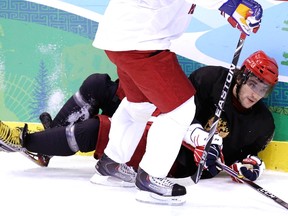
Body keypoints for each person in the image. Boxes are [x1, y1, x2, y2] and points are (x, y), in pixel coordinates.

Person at [0, 50, 277, 199]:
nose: (255, 94)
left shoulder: (263, 123)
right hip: (160, 121)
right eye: (253, 84)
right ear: (240, 77)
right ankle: (48, 145)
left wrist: (246, 167)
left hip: (169, 157)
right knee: (98, 83)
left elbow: (250, 160)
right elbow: (179, 110)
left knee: (97, 131)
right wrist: (198, 135)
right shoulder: (210, 79)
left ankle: (27, 142)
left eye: (263, 90)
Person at [91, 0, 263, 204]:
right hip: (141, 43)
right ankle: (150, 178)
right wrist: (230, 4)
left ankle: (111, 164)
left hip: (123, 38)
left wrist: (229, 8)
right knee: (180, 109)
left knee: (140, 106)